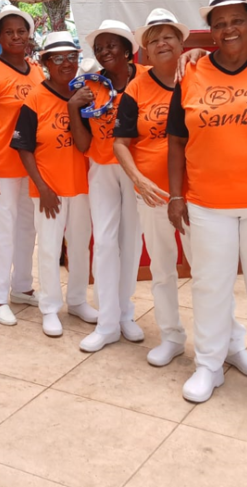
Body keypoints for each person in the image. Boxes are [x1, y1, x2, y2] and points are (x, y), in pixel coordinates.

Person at [167, 0, 247, 408]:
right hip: (207, 202)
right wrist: (176, 195)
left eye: (237, 20)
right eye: (219, 23)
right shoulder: (191, 72)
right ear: (210, 31)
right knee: (209, 285)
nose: (229, 29)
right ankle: (209, 364)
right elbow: (176, 139)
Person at [112, 8, 191, 366]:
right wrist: (138, 179)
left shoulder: (198, 73)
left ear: (181, 42)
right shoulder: (136, 88)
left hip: (197, 193)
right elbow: (120, 143)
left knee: (208, 272)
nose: (162, 43)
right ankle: (171, 336)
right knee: (162, 268)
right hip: (154, 194)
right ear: (144, 49)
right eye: (154, 39)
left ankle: (227, 341)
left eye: (168, 36)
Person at [11, 31, 99, 337]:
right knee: (49, 249)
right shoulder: (35, 98)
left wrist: (75, 105)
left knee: (80, 246)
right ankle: (49, 307)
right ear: (46, 62)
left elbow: (86, 144)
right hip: (48, 189)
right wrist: (43, 188)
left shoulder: (85, 93)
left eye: (72, 57)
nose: (66, 63)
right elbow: (24, 147)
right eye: (58, 58)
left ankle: (77, 301)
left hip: (81, 186)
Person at [66, 19, 144, 353]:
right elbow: (84, 143)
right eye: (99, 48)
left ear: (128, 49)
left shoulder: (148, 78)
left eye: (111, 45)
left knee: (132, 242)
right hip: (102, 168)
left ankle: (126, 313)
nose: (104, 52)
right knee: (105, 243)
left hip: (137, 169)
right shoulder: (90, 86)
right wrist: (73, 107)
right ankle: (107, 323)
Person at [0, 5, 44, 326]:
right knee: (2, 233)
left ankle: (22, 288)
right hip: (1, 167)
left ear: (29, 35)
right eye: (9, 32)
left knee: (27, 229)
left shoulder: (37, 72)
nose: (16, 37)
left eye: (21, 31)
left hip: (31, 167)